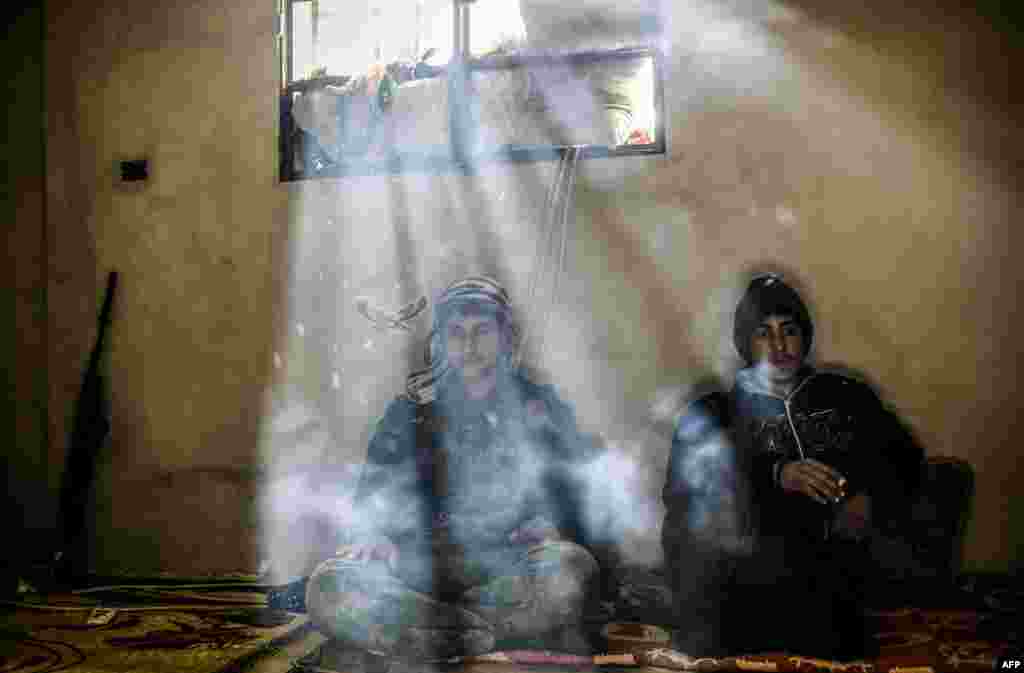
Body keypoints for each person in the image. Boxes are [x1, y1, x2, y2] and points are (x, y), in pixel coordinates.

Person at [306, 276, 601, 660]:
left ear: (506, 337)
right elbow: (372, 496)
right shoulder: (409, 413)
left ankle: (428, 632)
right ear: (440, 342)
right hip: (416, 567)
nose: (469, 345)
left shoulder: (541, 408)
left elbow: (580, 495)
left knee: (574, 570)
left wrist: (554, 523)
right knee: (328, 585)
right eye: (456, 333)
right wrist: (373, 533)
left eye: (482, 332)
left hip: (506, 569)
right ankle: (468, 629)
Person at [661, 273, 923, 660]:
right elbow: (680, 493)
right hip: (744, 568)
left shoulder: (845, 397)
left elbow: (905, 460)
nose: (779, 346)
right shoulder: (715, 410)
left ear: (805, 336)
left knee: (833, 629)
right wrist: (777, 476)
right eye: (764, 333)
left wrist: (870, 499)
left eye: (789, 330)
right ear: (746, 343)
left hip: (829, 566)